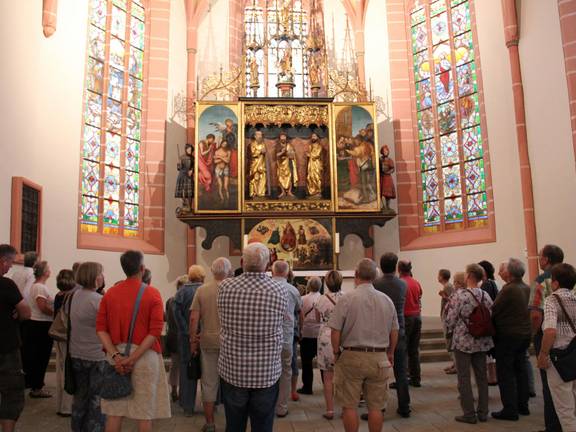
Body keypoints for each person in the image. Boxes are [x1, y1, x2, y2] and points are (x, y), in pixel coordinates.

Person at [96, 250, 170, 432]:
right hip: (145, 358)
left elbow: (101, 329)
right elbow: (154, 332)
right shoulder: (153, 294)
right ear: (142, 269)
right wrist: (133, 358)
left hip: (116, 358)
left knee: (114, 413)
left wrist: (116, 356)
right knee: (144, 415)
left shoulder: (110, 294)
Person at [217, 243, 287, 432]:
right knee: (263, 425)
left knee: (234, 424)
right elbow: (282, 321)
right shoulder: (280, 290)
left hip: (233, 369)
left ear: (242, 262)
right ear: (268, 263)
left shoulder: (225, 287)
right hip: (266, 371)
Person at [329, 259, 398, 432]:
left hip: (352, 357)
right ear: (375, 276)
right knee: (376, 407)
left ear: (356, 275)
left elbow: (335, 330)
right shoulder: (387, 300)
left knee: (349, 405)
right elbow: (395, 330)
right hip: (379, 358)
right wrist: (390, 353)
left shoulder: (347, 299)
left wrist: (336, 352)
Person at [445, 263, 494, 424]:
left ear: (469, 276)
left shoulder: (459, 295)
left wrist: (451, 331)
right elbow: (491, 315)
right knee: (481, 377)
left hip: (463, 341)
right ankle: (483, 412)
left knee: (464, 378)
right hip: (482, 340)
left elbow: (450, 319)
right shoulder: (485, 295)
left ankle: (469, 414)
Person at [190, 258, 232, 431]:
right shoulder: (234, 289)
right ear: (228, 271)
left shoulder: (202, 290)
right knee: (232, 383)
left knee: (208, 382)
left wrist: (193, 341)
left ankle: (210, 423)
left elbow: (193, 319)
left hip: (208, 340)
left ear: (212, 271)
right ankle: (234, 422)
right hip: (231, 342)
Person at [491, 258, 531, 421]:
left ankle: (510, 409)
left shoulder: (509, 289)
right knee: (520, 369)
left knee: (506, 372)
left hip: (508, 335)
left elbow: (495, 309)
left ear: (510, 272)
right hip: (524, 334)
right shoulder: (527, 288)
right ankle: (523, 405)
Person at [529, 244, 565, 432]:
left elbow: (536, 315)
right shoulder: (571, 275)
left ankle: (553, 426)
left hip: (549, 335)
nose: (539, 259)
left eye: (540, 256)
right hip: (571, 335)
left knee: (550, 383)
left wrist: (534, 334)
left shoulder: (542, 280)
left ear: (546, 260)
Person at [537, 263, 576, 432]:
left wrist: (543, 354)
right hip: (575, 353)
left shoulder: (552, 300)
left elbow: (550, 330)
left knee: (565, 409)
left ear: (555, 283)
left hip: (559, 359)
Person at [69, 262, 108, 432]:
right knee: (96, 401)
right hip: (96, 355)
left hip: (76, 352)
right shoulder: (98, 300)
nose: (102, 277)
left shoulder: (74, 296)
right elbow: (108, 327)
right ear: (93, 277)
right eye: (100, 273)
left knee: (80, 398)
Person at [373, 252, 411, 418]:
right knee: (401, 372)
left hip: (379, 332)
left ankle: (378, 409)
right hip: (399, 330)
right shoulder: (402, 284)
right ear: (395, 266)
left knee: (377, 374)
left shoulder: (375, 284)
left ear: (381, 266)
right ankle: (405, 407)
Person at [0, 245, 31, 432]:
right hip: (6, 348)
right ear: (4, 260)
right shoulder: (6, 284)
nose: (10, 267)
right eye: (10, 262)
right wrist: (17, 314)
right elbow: (26, 312)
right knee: (11, 394)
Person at [270, 260, 302, 418]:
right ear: (287, 272)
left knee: (267, 370)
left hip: (268, 337)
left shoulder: (266, 287)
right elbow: (298, 310)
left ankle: (267, 404)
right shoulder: (293, 290)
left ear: (272, 270)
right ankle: (281, 407)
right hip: (286, 337)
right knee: (285, 370)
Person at [173, 265, 206, 416]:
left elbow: (176, 314)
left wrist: (186, 331)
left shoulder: (181, 292)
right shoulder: (207, 290)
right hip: (205, 336)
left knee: (187, 370)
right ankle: (211, 406)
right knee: (208, 370)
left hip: (186, 338)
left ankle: (187, 407)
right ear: (202, 277)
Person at [22, 260, 57, 398]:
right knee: (40, 357)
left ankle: (35, 384)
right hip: (40, 325)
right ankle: (36, 387)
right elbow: (42, 307)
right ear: (44, 272)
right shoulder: (40, 287)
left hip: (38, 324)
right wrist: (57, 314)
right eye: (48, 268)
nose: (50, 270)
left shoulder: (39, 286)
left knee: (38, 356)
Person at [314, 270, 344, 420]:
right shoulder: (347, 298)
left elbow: (316, 318)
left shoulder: (320, 299)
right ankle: (346, 408)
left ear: (326, 283)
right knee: (345, 376)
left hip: (326, 337)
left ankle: (330, 410)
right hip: (343, 337)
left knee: (327, 377)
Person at [53, 269, 76, 417]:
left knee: (60, 370)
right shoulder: (71, 296)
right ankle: (67, 407)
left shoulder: (58, 295)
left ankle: (60, 405)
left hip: (59, 335)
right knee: (69, 371)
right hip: (69, 336)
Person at [399, 260, 423, 387]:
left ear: (399, 269)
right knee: (414, 350)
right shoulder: (416, 282)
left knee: (402, 350)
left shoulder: (400, 283)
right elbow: (419, 296)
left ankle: (403, 379)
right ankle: (416, 378)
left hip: (406, 318)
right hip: (417, 317)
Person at [298, 277, 322, 395]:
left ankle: (307, 387)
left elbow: (300, 318)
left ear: (308, 286)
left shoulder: (302, 299)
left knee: (306, 362)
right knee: (322, 362)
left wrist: (300, 331)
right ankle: (326, 384)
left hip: (307, 333)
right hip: (320, 334)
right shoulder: (323, 298)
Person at [165, 275, 187, 403]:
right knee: (183, 366)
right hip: (182, 336)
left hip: (172, 336)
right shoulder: (187, 301)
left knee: (175, 365)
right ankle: (183, 392)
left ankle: (174, 390)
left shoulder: (170, 300)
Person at [276, 132, 298, 198]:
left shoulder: (289, 146)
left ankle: (289, 192)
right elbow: (276, 155)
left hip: (288, 163)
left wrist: (290, 153)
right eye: (281, 137)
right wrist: (282, 152)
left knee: (290, 177)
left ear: (286, 138)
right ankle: (282, 192)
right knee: (280, 178)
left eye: (284, 137)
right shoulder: (278, 146)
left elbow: (293, 155)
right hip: (281, 164)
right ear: (279, 138)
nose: (283, 138)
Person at [248, 130, 267, 198]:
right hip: (255, 164)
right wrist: (260, 152)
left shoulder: (263, 144)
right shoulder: (252, 144)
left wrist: (264, 152)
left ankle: (261, 193)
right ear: (255, 136)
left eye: (261, 135)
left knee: (262, 178)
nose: (260, 136)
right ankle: (254, 193)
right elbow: (252, 154)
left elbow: (265, 155)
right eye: (258, 135)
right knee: (255, 178)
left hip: (262, 164)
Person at [175, 143, 194, 210]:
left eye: (191, 149)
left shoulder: (193, 158)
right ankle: (184, 205)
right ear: (186, 149)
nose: (190, 151)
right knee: (183, 192)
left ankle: (190, 207)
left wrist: (192, 170)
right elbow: (178, 168)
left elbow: (194, 166)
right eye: (188, 149)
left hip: (189, 176)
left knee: (190, 192)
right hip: (182, 175)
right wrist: (179, 164)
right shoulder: (181, 157)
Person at [214, 140, 232, 204]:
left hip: (225, 169)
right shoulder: (217, 151)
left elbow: (227, 161)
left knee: (225, 186)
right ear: (221, 144)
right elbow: (215, 162)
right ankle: (222, 199)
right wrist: (224, 158)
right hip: (218, 169)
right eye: (223, 144)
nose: (224, 145)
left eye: (225, 144)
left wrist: (219, 157)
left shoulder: (228, 151)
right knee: (220, 186)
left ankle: (227, 200)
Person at [306, 133, 323, 197]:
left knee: (317, 177)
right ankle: (312, 192)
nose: (313, 137)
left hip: (316, 164)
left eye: (314, 136)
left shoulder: (319, 146)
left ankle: (318, 191)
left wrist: (309, 155)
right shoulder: (310, 146)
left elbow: (317, 155)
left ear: (317, 138)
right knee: (310, 177)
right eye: (312, 136)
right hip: (310, 164)